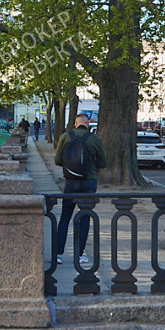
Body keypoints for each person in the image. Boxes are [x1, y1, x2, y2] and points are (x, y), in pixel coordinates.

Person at [52, 112, 107, 263]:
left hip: (71, 182)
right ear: (87, 124)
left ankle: (58, 254)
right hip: (89, 182)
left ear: (75, 124)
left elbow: (57, 160)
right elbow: (103, 162)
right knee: (85, 217)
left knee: (65, 217)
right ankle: (80, 255)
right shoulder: (95, 139)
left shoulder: (65, 137)